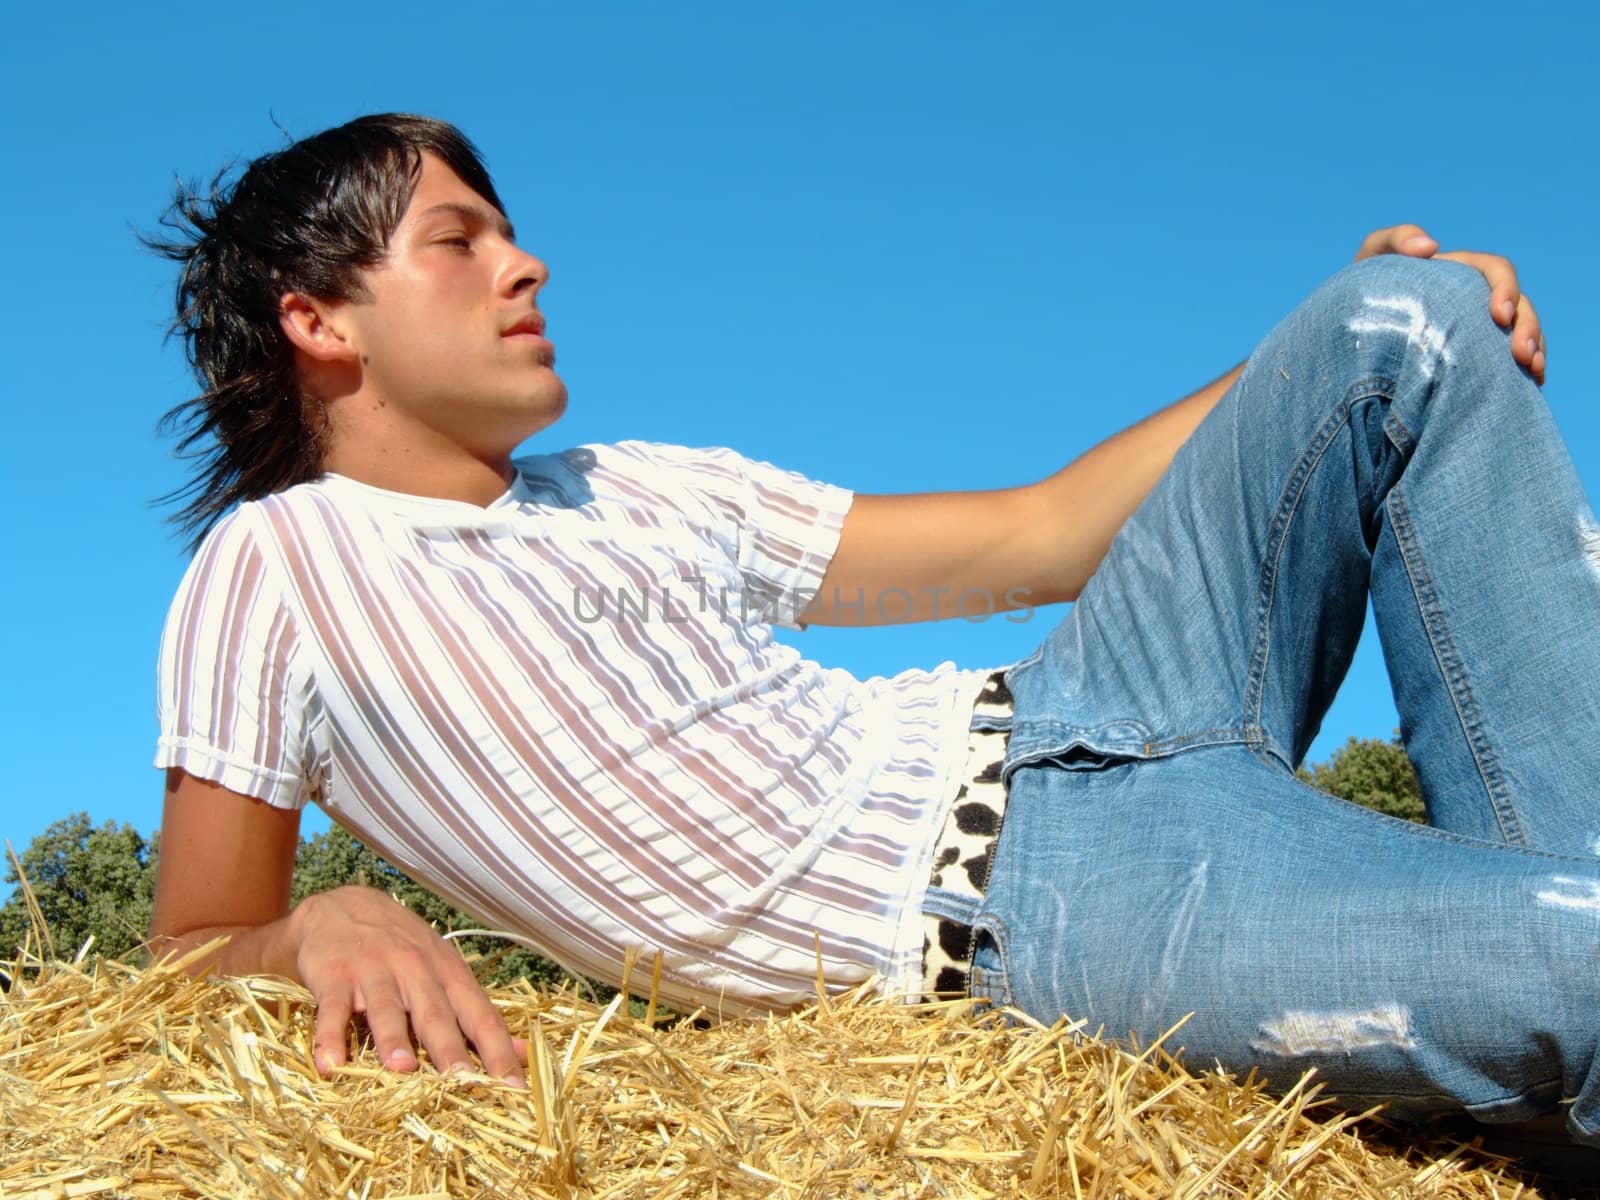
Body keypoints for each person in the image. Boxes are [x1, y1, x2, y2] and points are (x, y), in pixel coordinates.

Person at [144, 113, 1600, 1151]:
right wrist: (307, 926)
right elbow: (185, 952)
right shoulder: (276, 567)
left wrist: (1302, 354)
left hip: (1086, 690)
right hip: (1023, 905)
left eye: (513, 237)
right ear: (319, 322)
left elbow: (1028, 540)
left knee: (1402, 317)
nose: (527, 269)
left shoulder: (640, 486)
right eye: (458, 243)